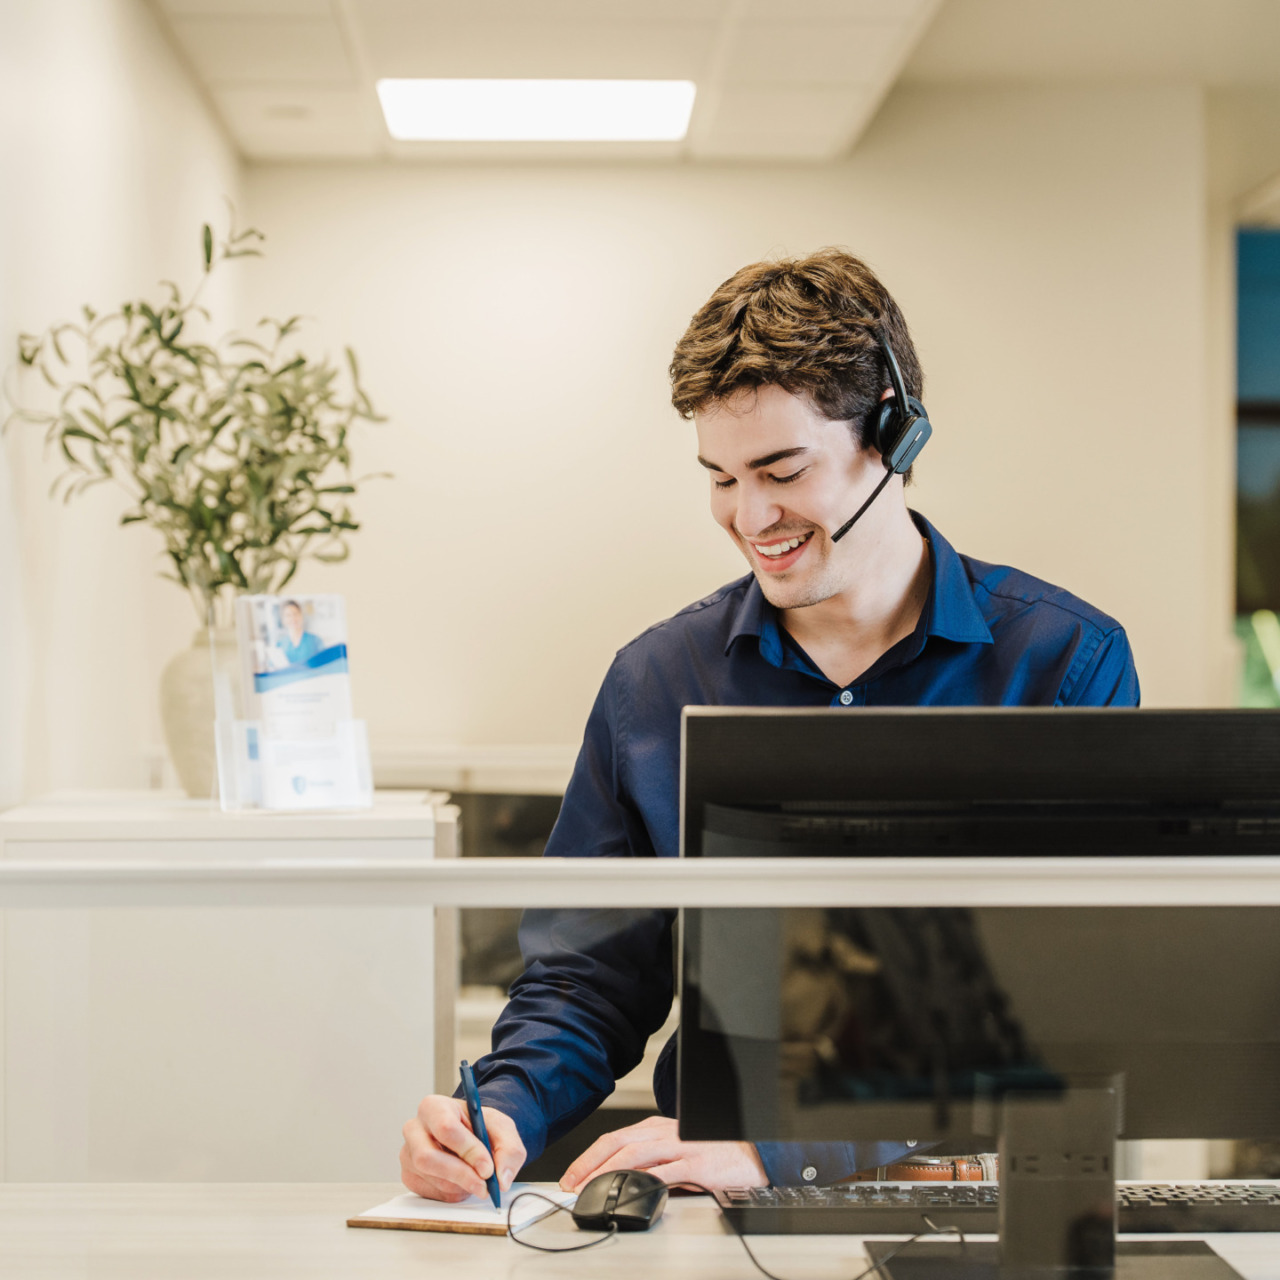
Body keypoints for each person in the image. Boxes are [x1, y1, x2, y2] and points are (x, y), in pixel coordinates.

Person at [399, 248, 1139, 1204]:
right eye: (719, 477)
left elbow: (1069, 1008)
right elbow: (589, 978)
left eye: (782, 470)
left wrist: (786, 1153)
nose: (750, 516)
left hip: (979, 1198)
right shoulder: (657, 681)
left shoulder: (1059, 664)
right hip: (714, 1206)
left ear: (894, 436)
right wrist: (499, 1111)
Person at [275, 599, 324, 667]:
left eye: (295, 614)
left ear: (301, 615)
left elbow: (324, 664)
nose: (293, 618)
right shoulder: (279, 645)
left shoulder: (315, 640)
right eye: (288, 615)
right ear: (283, 619)